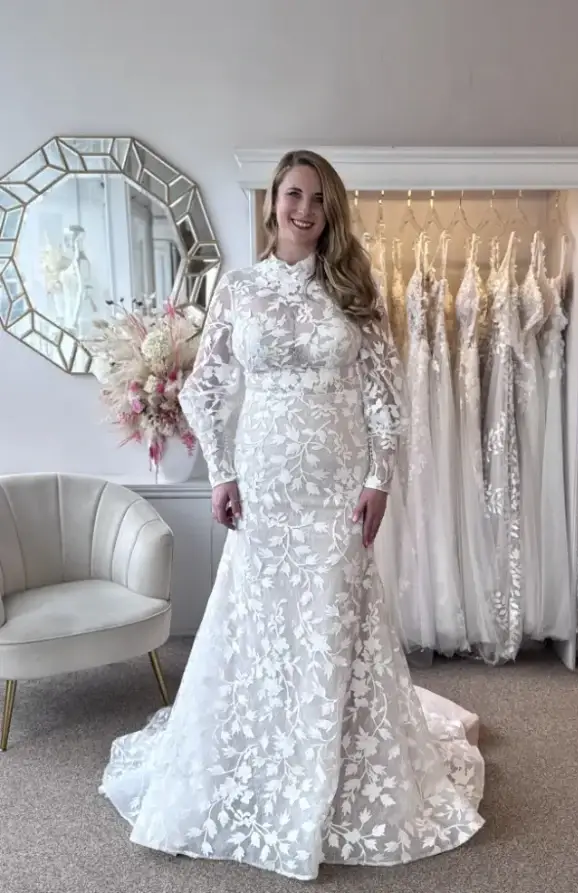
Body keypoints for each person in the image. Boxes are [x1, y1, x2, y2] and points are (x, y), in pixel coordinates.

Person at [99, 150, 485, 881]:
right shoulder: (240, 290)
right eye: (293, 195)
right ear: (273, 202)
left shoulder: (352, 288)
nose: (303, 209)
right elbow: (204, 387)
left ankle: (331, 764)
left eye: (317, 199)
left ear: (330, 211)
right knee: (261, 616)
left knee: (332, 615)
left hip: (337, 487)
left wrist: (379, 478)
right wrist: (222, 469)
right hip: (266, 487)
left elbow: (385, 395)